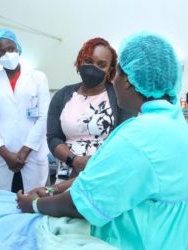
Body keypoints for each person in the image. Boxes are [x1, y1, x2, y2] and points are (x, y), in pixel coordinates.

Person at [17, 32, 188, 249]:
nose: (112, 78)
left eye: (114, 71)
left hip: (150, 240)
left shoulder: (137, 138)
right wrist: (55, 189)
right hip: (178, 233)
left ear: (127, 80)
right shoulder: (174, 122)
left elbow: (80, 204)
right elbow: (105, 175)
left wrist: (34, 204)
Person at [46, 37, 131, 191]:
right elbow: (53, 138)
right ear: (80, 62)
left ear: (110, 70)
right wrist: (75, 161)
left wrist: (94, 163)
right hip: (67, 171)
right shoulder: (62, 95)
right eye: (89, 61)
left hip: (104, 173)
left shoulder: (119, 96)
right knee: (60, 210)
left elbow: (124, 139)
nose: (93, 68)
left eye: (101, 65)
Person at [0, 29, 50, 193]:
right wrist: (7, 155)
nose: (7, 54)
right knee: (3, 202)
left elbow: (44, 117)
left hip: (32, 153)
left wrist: (25, 151)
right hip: (3, 156)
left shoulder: (38, 78)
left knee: (34, 202)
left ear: (18, 48)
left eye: (11, 48)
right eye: (1, 52)